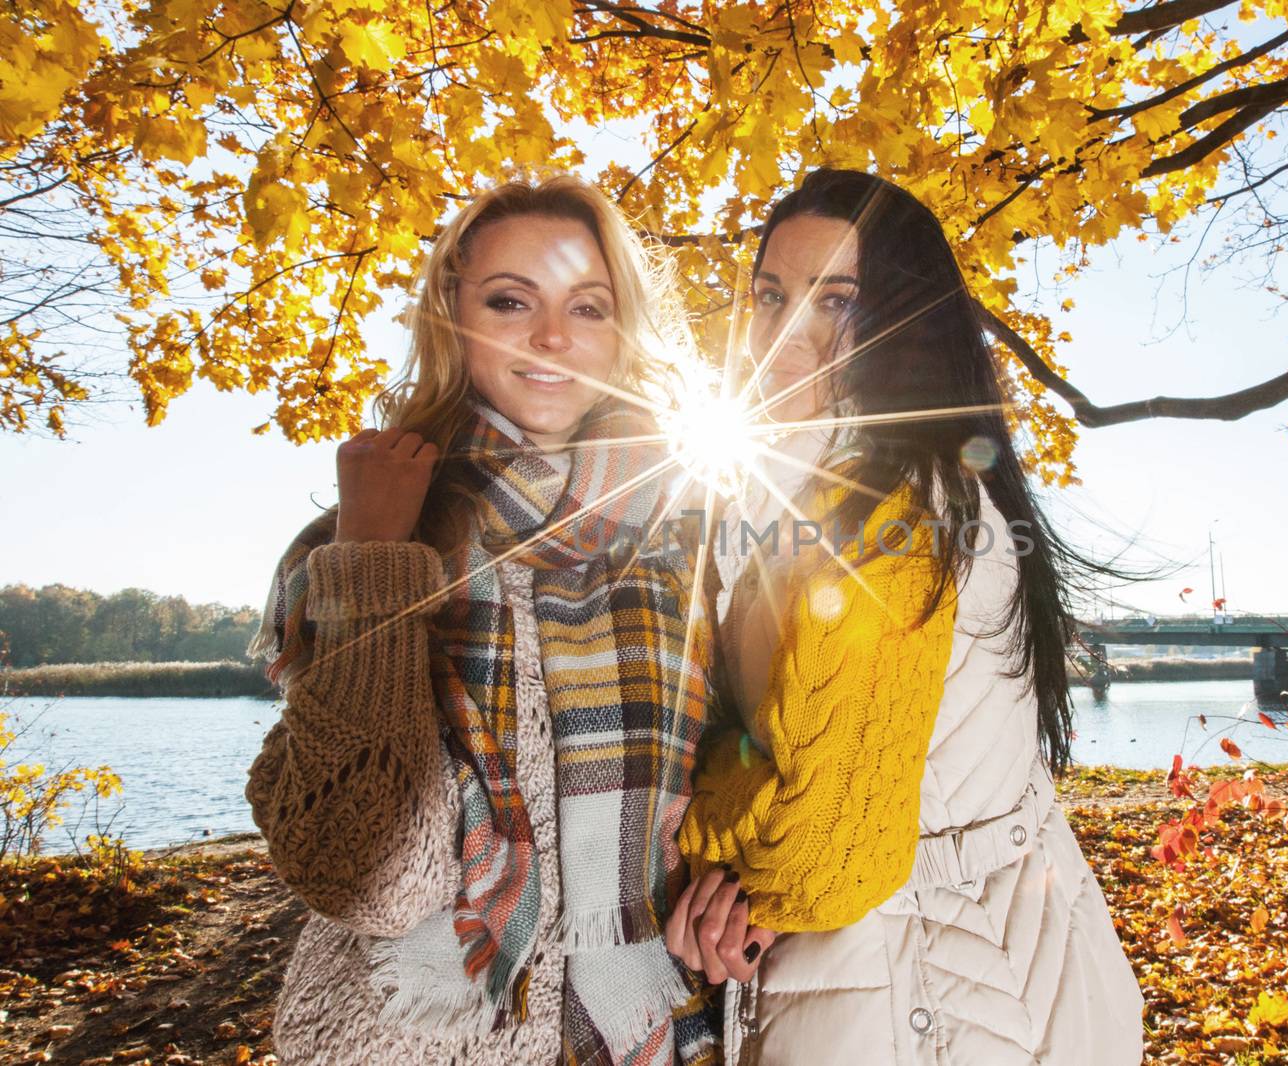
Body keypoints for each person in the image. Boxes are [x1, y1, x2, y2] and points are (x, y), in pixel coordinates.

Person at [666, 168, 1145, 1063]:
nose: (786, 337)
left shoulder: (894, 517)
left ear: (904, 322)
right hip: (970, 965)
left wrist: (694, 841)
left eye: (834, 301)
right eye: (769, 297)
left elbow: (814, 855)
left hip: (936, 998)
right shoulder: (821, 493)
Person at [245, 174, 721, 1066]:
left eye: (588, 307)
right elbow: (365, 874)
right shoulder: (364, 541)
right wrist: (375, 562)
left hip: (649, 1027)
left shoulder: (687, 543)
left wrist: (726, 885)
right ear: (451, 312)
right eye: (511, 301)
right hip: (419, 1039)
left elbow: (730, 771)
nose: (551, 338)